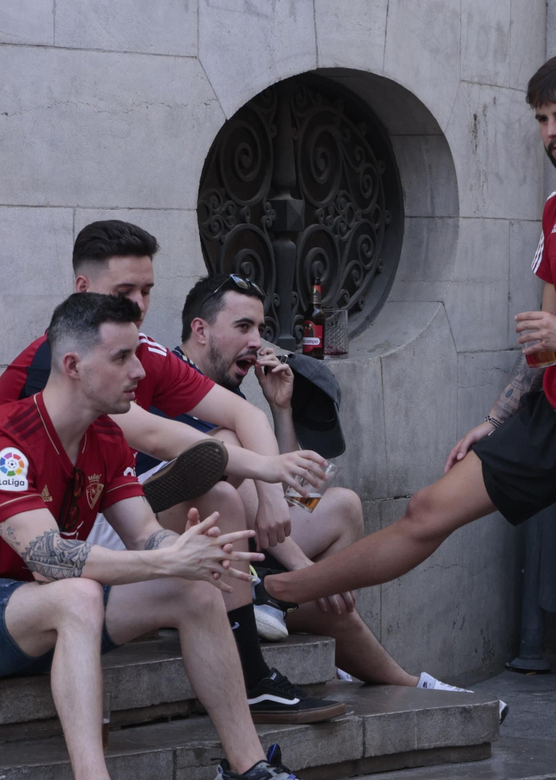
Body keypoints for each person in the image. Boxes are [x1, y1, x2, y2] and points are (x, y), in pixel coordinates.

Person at [261, 51, 556, 780]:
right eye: (540, 119)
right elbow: (546, 339)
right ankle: (272, 593)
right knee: (429, 507)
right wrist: (498, 419)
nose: (550, 132)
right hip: (551, 416)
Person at [0, 294, 343, 780]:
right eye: (122, 357)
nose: (140, 371)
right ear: (73, 366)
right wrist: (161, 561)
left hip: (44, 609)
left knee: (193, 586)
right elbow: (50, 557)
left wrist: (185, 550)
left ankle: (245, 772)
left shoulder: (106, 437)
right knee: (78, 592)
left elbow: (142, 534)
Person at [0, 222, 344, 725]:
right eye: (124, 291)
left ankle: (251, 671)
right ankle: (254, 597)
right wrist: (267, 468)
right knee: (215, 473)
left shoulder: (143, 352)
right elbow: (154, 435)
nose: (138, 304)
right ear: (84, 290)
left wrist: (270, 498)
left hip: (100, 513)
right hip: (33, 542)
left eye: (147, 290)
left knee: (220, 493)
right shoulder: (60, 362)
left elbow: (246, 415)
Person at [173, 273, 483, 701]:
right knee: (226, 452)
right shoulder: (170, 381)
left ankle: (285, 604)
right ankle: (407, 683)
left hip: (245, 548)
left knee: (343, 507)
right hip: (191, 561)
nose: (256, 341)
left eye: (260, 329)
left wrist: (280, 409)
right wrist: (311, 574)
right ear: (201, 330)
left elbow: (287, 498)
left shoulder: (232, 394)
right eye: (243, 327)